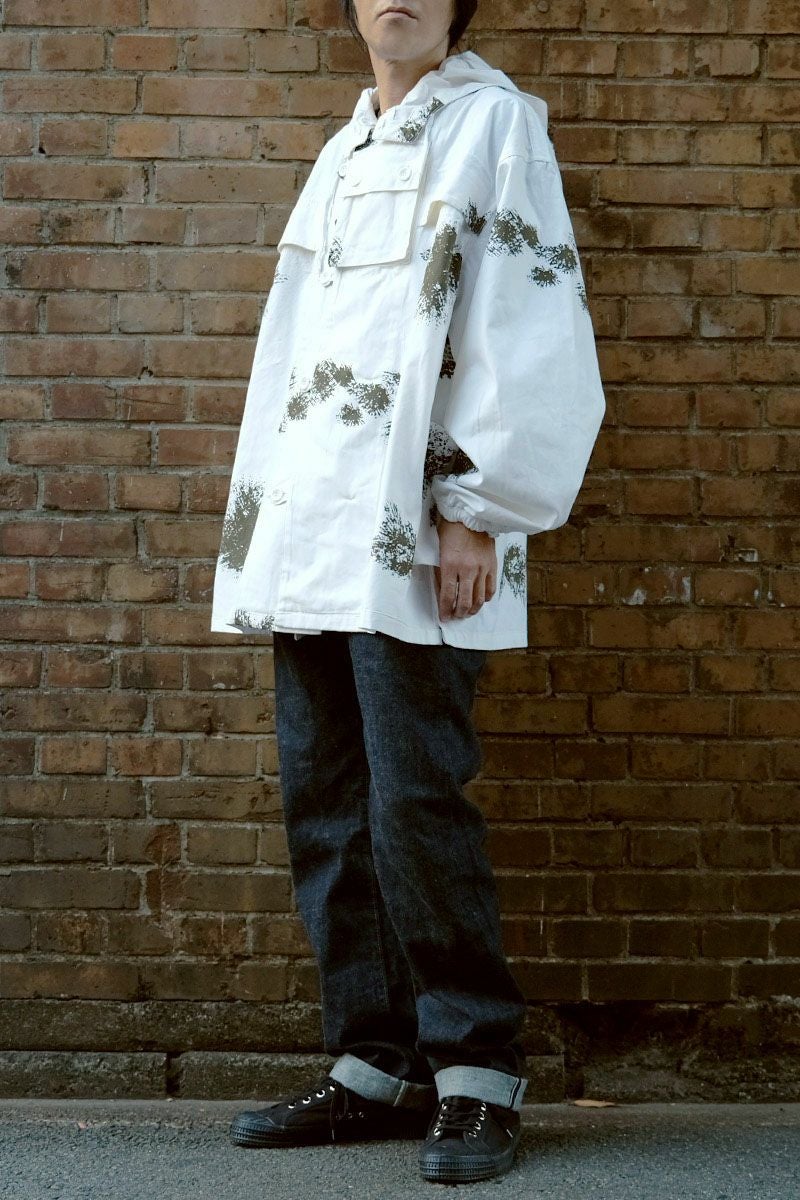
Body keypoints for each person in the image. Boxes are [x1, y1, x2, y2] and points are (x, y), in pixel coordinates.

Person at [212, 0, 606, 1185]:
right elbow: (295, 350)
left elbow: (525, 315)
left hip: (417, 532)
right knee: (325, 802)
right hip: (310, 534)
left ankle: (475, 1071)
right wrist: (264, 529)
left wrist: (471, 507)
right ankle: (373, 1063)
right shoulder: (345, 150)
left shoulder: (494, 126)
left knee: (415, 802)